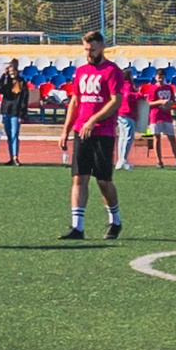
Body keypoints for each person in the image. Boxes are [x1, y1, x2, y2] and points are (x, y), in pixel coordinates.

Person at [58, 31, 129, 240]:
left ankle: (115, 220)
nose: (89, 53)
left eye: (93, 49)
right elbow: (75, 102)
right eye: (86, 49)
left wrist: (93, 120)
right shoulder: (81, 71)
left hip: (103, 132)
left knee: (103, 181)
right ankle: (77, 227)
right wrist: (66, 130)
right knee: (79, 177)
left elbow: (115, 101)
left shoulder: (112, 71)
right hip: (82, 131)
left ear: (102, 47)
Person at [142, 77, 176, 167]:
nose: (161, 80)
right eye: (159, 78)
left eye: (162, 78)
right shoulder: (153, 88)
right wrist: (160, 102)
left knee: (172, 138)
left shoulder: (169, 88)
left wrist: (169, 105)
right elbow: (149, 103)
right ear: (156, 78)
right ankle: (159, 161)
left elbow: (173, 101)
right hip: (156, 115)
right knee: (157, 138)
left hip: (167, 116)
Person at [0, 61, 25, 164]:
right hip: (6, 110)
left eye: (13, 71)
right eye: (10, 71)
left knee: (14, 135)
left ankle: (15, 156)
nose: (12, 73)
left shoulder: (21, 82)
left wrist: (22, 114)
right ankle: (11, 157)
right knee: (9, 135)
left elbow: (24, 99)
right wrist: (3, 76)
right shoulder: (6, 82)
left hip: (15, 111)